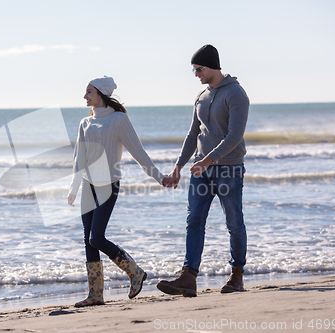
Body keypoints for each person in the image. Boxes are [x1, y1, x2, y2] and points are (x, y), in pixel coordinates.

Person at [158, 44, 249, 296]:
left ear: (212, 66)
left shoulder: (236, 94)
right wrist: (178, 166)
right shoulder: (201, 97)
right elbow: (192, 134)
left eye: (199, 69)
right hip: (201, 169)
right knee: (194, 221)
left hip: (228, 169)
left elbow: (234, 135)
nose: (196, 74)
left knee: (234, 223)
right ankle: (188, 277)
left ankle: (237, 276)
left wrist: (208, 160)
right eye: (193, 70)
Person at [67, 76, 166, 307]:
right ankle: (95, 295)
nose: (85, 96)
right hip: (87, 186)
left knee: (96, 237)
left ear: (101, 93)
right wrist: (73, 188)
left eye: (89, 92)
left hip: (108, 185)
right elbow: (78, 159)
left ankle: (135, 272)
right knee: (88, 241)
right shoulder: (85, 123)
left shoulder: (119, 120)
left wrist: (159, 177)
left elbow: (138, 152)